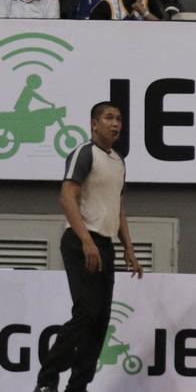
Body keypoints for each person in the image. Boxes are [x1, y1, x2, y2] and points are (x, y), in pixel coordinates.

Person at [34, 102, 143, 392]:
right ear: (94, 123)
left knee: (100, 322)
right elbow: (66, 196)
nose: (115, 123)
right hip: (81, 242)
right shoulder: (85, 153)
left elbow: (118, 208)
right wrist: (85, 241)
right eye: (108, 118)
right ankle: (46, 381)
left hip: (105, 246)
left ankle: (78, 386)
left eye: (119, 118)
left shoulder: (118, 161)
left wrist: (129, 249)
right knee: (86, 313)